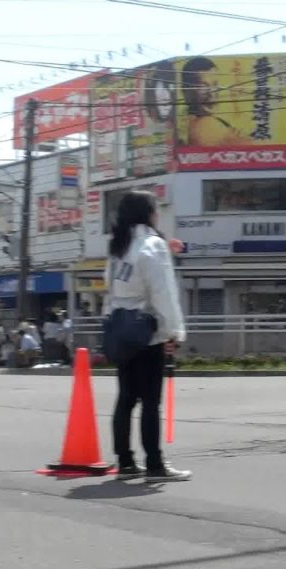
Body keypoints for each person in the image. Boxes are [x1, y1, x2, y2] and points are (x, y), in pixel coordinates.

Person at [107, 190, 191, 483]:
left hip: (122, 329)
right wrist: (174, 331)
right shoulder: (152, 245)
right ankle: (155, 464)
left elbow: (112, 290)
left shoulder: (119, 246)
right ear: (148, 213)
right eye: (156, 209)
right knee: (150, 402)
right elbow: (164, 294)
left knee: (126, 400)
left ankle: (125, 462)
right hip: (148, 332)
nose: (158, 214)